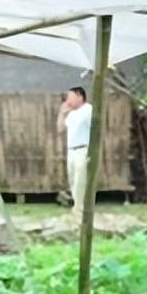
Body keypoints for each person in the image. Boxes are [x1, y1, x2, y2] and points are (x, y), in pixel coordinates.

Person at [58, 86, 92, 220]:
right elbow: (60, 129)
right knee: (72, 180)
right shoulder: (71, 114)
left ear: (80, 96)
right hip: (71, 150)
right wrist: (62, 113)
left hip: (83, 149)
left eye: (70, 97)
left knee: (80, 181)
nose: (68, 100)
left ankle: (80, 211)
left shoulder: (88, 110)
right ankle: (77, 208)